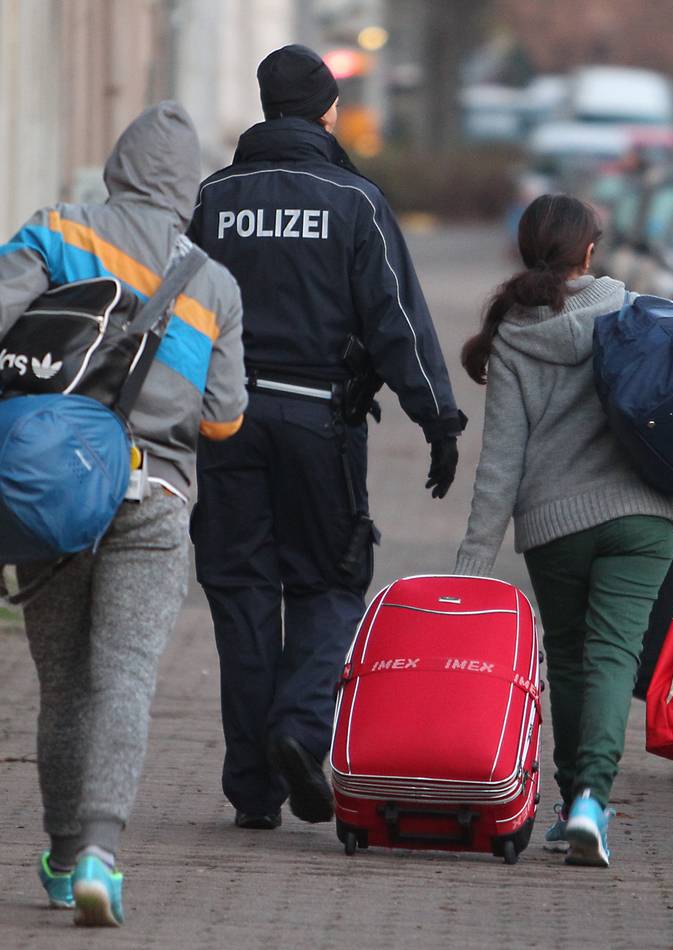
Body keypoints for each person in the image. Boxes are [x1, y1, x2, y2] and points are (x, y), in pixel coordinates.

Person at [187, 44, 466, 832]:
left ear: (266, 106)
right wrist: (437, 419)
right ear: (327, 110)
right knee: (330, 585)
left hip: (226, 422)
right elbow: (396, 321)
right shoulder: (354, 200)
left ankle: (252, 788)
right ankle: (300, 730)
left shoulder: (214, 198)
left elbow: (180, 311)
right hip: (320, 423)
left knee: (241, 594)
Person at [0, 102, 247, 926]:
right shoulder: (212, 282)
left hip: (55, 488)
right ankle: (105, 852)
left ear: (117, 165)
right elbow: (223, 418)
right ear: (188, 187)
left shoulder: (55, 229)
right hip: (154, 494)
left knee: (63, 682)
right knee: (126, 677)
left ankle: (64, 859)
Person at [454, 194, 673, 867]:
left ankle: (572, 797)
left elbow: (502, 462)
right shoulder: (630, 312)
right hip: (639, 520)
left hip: (554, 526)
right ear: (588, 251)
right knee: (611, 658)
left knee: (570, 660)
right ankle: (589, 805)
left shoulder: (514, 332)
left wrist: (471, 567)